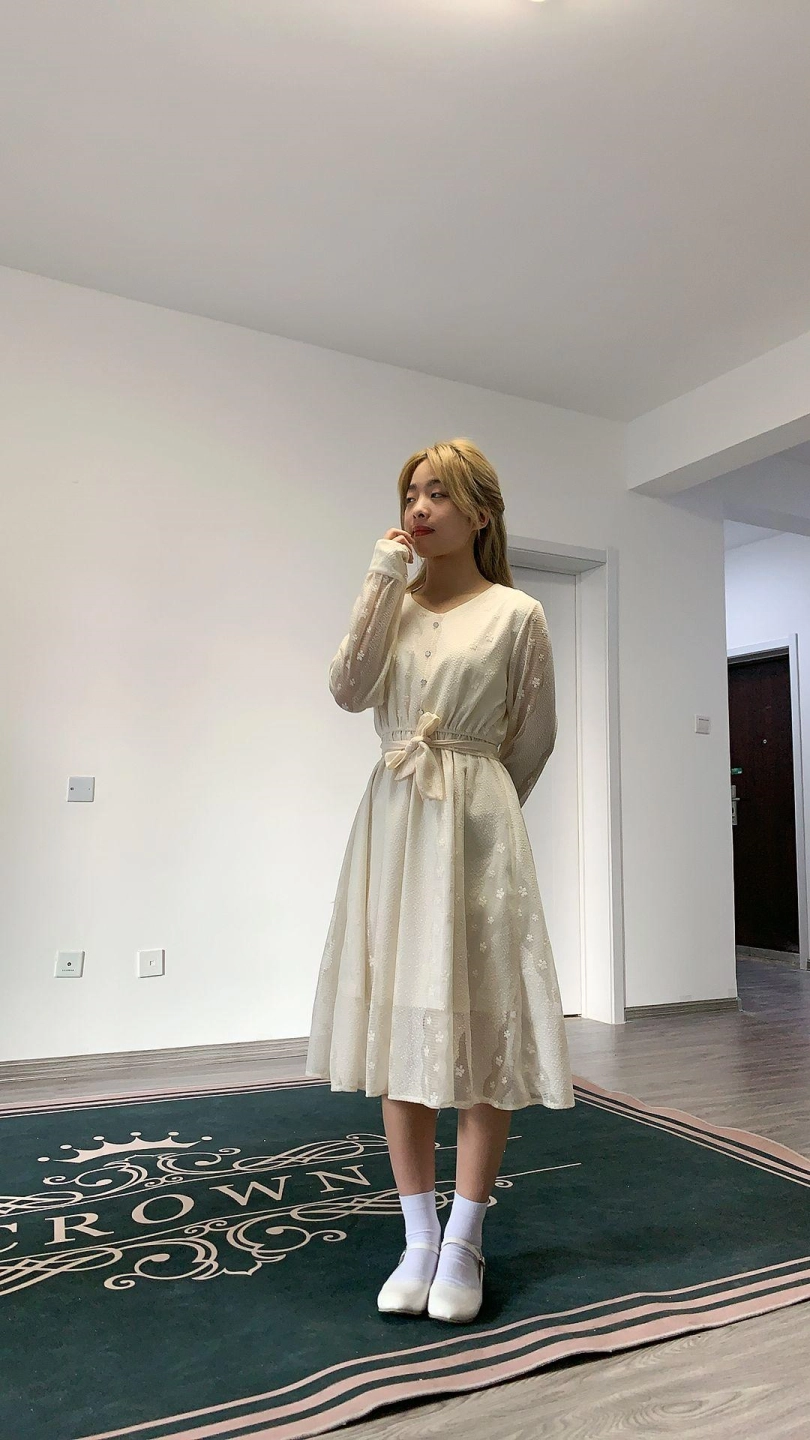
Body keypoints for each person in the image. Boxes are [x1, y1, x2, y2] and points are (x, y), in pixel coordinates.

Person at [306, 438, 574, 1324]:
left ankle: (464, 1239)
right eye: (411, 494)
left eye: (439, 494)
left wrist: (480, 808)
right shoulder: (393, 601)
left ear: (481, 513)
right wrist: (381, 578)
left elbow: (533, 737)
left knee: (483, 1025)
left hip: (476, 830)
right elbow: (348, 689)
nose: (418, 509)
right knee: (402, 1023)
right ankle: (417, 1236)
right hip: (394, 822)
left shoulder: (518, 612)